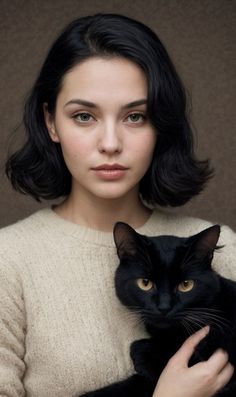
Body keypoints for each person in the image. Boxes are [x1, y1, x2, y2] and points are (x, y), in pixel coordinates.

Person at [0, 13, 235, 397]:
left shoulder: (222, 245)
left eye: (135, 116)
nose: (110, 143)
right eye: (84, 116)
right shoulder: (7, 260)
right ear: (51, 123)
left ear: (161, 124)